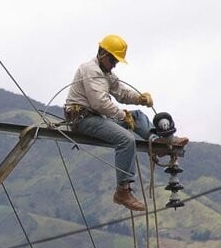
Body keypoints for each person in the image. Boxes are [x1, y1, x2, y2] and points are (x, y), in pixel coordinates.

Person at [64, 34, 188, 211]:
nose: (114, 64)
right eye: (113, 60)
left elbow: (120, 92)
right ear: (103, 54)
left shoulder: (106, 73)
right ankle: (122, 191)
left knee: (137, 116)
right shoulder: (90, 70)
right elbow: (99, 103)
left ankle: (159, 141)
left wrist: (139, 99)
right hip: (83, 119)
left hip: (97, 116)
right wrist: (122, 115)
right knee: (125, 140)